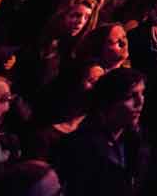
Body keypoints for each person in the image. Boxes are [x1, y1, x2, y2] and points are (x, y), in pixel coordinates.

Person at [53, 65, 147, 196]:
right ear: (109, 102)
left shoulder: (135, 139)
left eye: (142, 93)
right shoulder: (79, 144)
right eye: (131, 96)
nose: (140, 101)